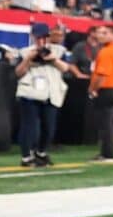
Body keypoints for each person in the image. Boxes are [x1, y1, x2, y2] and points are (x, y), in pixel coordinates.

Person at [11, 22, 79, 167]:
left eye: (44, 38)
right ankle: (26, 156)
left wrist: (53, 59)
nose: (41, 41)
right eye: (38, 38)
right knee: (29, 126)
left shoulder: (59, 51)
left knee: (49, 127)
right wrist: (28, 59)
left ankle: (41, 152)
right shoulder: (24, 51)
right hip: (30, 92)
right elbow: (18, 72)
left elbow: (66, 68)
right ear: (33, 37)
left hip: (51, 92)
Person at [85, 22, 113, 162]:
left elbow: (101, 75)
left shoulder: (107, 51)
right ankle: (108, 152)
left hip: (107, 90)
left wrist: (92, 89)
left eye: (105, 33)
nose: (100, 36)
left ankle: (108, 154)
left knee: (105, 123)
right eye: (99, 33)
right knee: (109, 122)